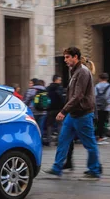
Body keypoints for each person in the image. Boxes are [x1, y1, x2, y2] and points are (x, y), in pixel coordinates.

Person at [43, 47, 102, 180]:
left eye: (67, 57)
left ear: (75, 57)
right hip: (73, 114)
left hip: (83, 114)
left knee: (89, 143)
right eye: (64, 57)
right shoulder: (74, 71)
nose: (65, 60)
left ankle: (94, 171)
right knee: (63, 140)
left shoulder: (83, 72)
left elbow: (78, 96)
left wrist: (63, 111)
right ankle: (57, 168)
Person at [94, 73, 110, 144]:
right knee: (103, 122)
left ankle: (98, 136)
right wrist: (107, 103)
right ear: (107, 79)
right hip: (106, 108)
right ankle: (101, 137)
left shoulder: (96, 86)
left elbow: (93, 96)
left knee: (98, 122)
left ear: (99, 78)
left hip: (97, 107)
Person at [45, 75, 65, 146]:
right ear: (56, 80)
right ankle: (60, 140)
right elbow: (62, 99)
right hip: (59, 109)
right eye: (60, 80)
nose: (60, 81)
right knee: (60, 124)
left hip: (50, 109)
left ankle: (49, 140)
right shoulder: (60, 88)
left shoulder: (48, 88)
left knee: (49, 125)